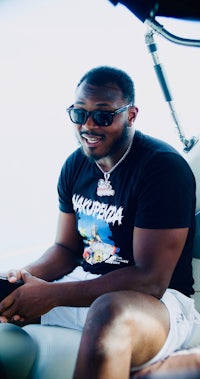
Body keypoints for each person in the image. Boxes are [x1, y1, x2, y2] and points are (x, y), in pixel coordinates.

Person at [0, 65, 199, 379]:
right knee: (2, 289)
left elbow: (151, 279)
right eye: (79, 114)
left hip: (159, 306)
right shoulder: (76, 164)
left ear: (130, 115)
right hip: (87, 285)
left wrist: (50, 296)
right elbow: (66, 249)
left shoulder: (162, 169)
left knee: (108, 309)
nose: (88, 125)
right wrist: (26, 276)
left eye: (103, 115)